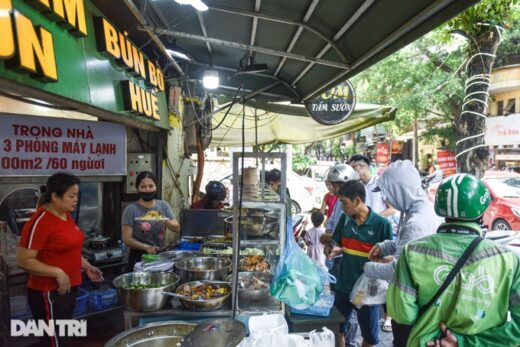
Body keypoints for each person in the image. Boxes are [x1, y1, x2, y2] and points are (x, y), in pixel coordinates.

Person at [387, 173, 520, 347]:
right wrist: (466, 342)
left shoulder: (413, 252)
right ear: (482, 210)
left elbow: (403, 317)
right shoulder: (508, 260)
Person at [17, 173, 103, 347]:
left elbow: (68, 248)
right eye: (71, 196)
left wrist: (86, 265)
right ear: (55, 196)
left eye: (77, 196)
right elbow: (24, 260)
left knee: (61, 338)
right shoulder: (40, 222)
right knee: (53, 341)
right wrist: (57, 272)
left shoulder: (65, 215)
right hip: (48, 293)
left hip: (67, 289)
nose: (75, 200)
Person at [362, 160, 441, 338]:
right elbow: (406, 245)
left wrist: (367, 267)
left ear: (399, 190)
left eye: (387, 194)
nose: (387, 200)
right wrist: (385, 246)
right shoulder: (416, 211)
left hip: (413, 308)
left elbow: (397, 271)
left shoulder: (417, 222)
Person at [329, 180, 394, 347]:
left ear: (357, 200)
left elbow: (391, 259)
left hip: (368, 291)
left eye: (344, 202)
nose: (341, 207)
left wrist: (379, 259)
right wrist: (337, 249)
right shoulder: (345, 219)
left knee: (370, 336)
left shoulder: (382, 224)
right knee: (337, 328)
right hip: (344, 285)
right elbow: (337, 243)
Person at [319, 163, 359, 347]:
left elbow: (341, 235)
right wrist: (328, 241)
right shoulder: (338, 203)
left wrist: (325, 237)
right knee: (338, 304)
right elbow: (331, 225)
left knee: (351, 307)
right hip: (335, 259)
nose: (332, 189)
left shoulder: (356, 206)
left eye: (335, 186)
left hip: (349, 264)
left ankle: (350, 341)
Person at [122, 171, 180, 271]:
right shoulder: (131, 209)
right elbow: (127, 239)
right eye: (143, 187)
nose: (147, 190)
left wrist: (163, 220)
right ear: (137, 188)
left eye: (150, 186)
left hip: (160, 254)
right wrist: (146, 247)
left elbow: (177, 228)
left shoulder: (163, 206)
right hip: (138, 256)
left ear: (156, 187)